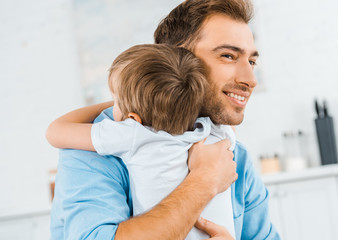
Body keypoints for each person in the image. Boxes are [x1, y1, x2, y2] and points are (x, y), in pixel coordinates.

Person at [49, 0, 281, 239]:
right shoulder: (92, 152)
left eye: (252, 61)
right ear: (176, 57)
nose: (251, 79)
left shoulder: (232, 154)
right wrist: (204, 180)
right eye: (228, 56)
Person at [46, 43, 237, 239]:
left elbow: (55, 131)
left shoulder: (132, 134)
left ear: (133, 118)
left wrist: (129, 102)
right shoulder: (213, 132)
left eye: (116, 101)